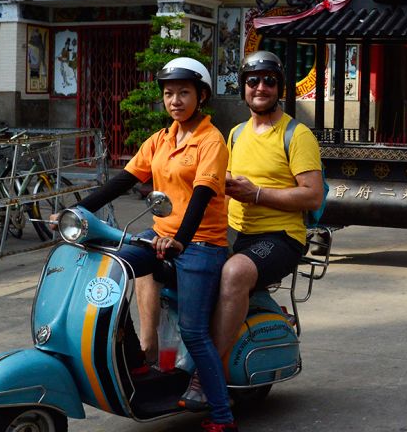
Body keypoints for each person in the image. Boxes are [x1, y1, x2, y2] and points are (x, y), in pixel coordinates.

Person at [61, 56, 236, 431]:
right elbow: (122, 182)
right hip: (159, 240)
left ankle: (222, 414)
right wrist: (75, 211)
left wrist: (180, 242)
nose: (175, 100)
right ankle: (138, 358)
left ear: (201, 96)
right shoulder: (160, 139)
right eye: (169, 93)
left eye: (184, 93)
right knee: (112, 274)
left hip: (201, 245)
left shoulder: (212, 141)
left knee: (193, 331)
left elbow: (203, 195)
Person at [212, 51, 324, 378]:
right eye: (253, 81)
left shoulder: (297, 135)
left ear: (280, 88)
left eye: (269, 81)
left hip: (280, 238)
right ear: (243, 87)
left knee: (234, 273)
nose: (260, 87)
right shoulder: (235, 134)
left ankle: (208, 372)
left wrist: (257, 193)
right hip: (236, 232)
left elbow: (312, 194)